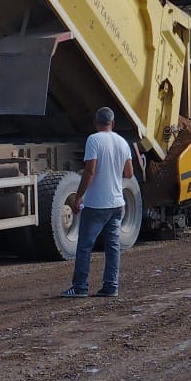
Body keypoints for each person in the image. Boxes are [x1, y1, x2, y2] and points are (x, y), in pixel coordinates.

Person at [62, 106, 134, 298]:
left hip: (96, 204)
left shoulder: (93, 140)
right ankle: (111, 286)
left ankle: (80, 287)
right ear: (113, 123)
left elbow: (90, 171)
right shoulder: (122, 142)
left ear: (95, 123)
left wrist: (78, 197)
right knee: (113, 247)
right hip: (117, 203)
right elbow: (129, 173)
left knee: (85, 246)